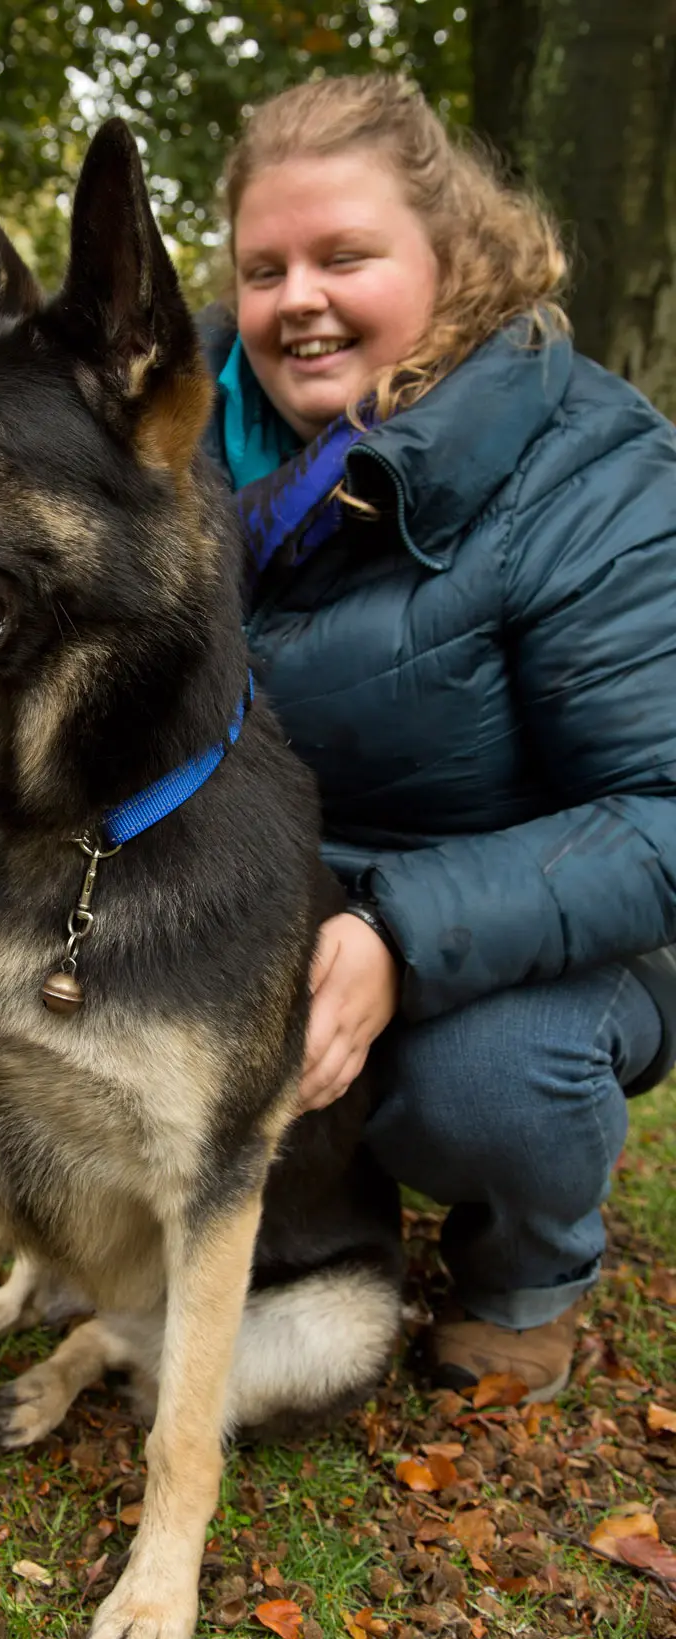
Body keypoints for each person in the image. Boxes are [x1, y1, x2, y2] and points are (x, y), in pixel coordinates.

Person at [200, 72, 676, 1401]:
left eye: (345, 256)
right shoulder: (169, 425)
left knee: (490, 1083)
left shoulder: (597, 478)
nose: (298, 298)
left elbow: (665, 811)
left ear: (456, 260)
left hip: (532, 930)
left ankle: (525, 1275)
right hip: (264, 889)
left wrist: (400, 932)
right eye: (264, 266)